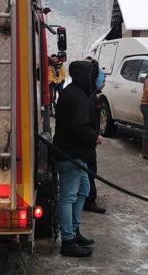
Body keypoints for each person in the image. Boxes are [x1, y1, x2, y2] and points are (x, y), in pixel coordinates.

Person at [52, 60, 97, 257]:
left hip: (77, 153)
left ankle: (74, 230)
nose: (94, 79)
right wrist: (94, 136)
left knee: (83, 190)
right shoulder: (76, 96)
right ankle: (68, 241)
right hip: (69, 153)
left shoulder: (76, 92)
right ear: (82, 76)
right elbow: (79, 126)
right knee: (69, 196)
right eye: (91, 75)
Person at [84, 59, 107, 214]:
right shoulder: (90, 97)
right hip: (86, 143)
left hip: (88, 141)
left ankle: (87, 198)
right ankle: (89, 200)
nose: (104, 82)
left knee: (88, 171)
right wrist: (94, 136)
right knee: (90, 171)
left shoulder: (92, 96)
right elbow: (83, 122)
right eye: (103, 79)